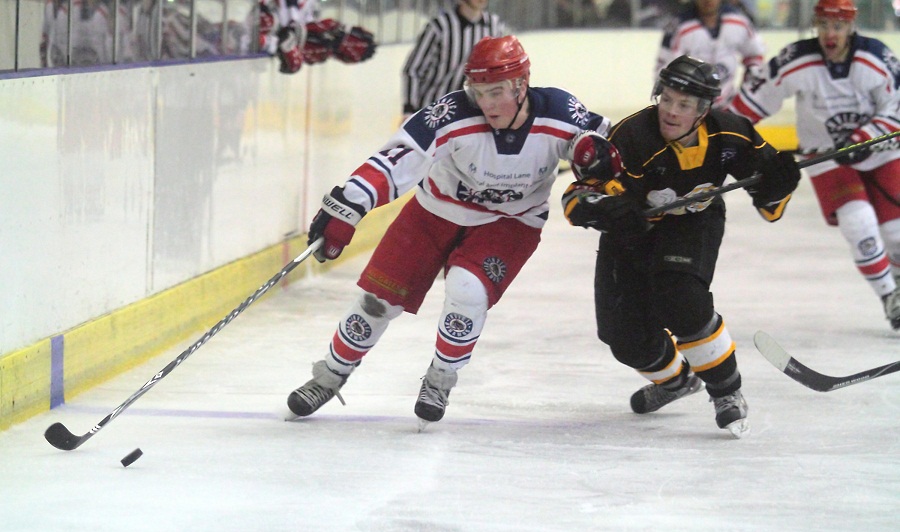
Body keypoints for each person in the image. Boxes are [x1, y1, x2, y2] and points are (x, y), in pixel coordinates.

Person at [286, 35, 616, 428]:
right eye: (479, 92)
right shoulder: (451, 114)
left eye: (496, 92)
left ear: (521, 85)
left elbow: (606, 142)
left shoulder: (560, 112)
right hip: (434, 212)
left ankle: (440, 378)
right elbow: (399, 159)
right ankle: (329, 376)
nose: (487, 104)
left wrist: (598, 162)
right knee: (378, 300)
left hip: (510, 222)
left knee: (467, 291)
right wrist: (349, 203)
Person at [561, 55, 801, 438]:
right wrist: (605, 209)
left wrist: (778, 185)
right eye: (667, 99)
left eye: (684, 104)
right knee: (624, 340)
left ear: (703, 110)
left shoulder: (731, 133)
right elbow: (576, 198)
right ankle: (678, 382)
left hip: (693, 222)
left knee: (681, 297)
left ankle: (726, 391)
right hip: (632, 236)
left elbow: (770, 205)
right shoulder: (631, 137)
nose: (671, 111)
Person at [729, 0, 900, 331]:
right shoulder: (796, 60)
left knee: (897, 233)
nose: (829, 34)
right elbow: (749, 104)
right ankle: (890, 297)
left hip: (882, 151)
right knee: (858, 221)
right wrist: (722, 135)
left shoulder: (876, 58)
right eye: (823, 26)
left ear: (850, 27)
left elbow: (896, 108)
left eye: (837, 26)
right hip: (826, 156)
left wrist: (863, 138)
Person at [401, 0, 506, 121]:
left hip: (473, 114)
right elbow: (413, 70)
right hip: (433, 112)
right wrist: (409, 109)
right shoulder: (439, 27)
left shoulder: (495, 25)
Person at [655, 0, 765, 108]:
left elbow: (754, 54)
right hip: (691, 106)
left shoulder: (738, 20)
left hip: (728, 103)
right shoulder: (678, 26)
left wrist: (747, 90)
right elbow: (665, 68)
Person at [258, 0, 376, 74]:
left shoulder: (324, 42)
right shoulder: (326, 30)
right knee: (267, 23)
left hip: (274, 31)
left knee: (268, 27)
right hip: (269, 20)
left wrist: (289, 46)